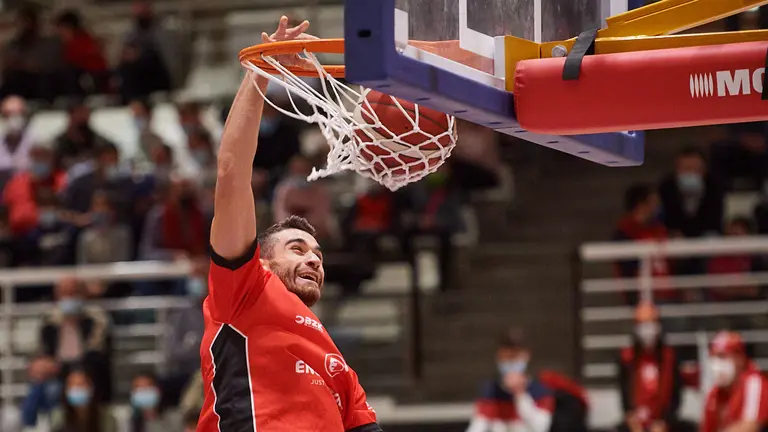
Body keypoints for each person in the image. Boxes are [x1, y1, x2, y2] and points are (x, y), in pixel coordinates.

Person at [198, 17, 380, 432]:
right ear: (261, 262)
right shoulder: (242, 291)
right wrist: (262, 73)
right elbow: (231, 173)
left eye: (317, 253)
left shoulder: (334, 359)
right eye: (297, 248)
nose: (314, 259)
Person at [617, 301, 691, 432]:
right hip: (636, 423)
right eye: (643, 325)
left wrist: (664, 423)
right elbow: (624, 396)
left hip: (662, 422)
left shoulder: (670, 357)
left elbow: (676, 396)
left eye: (651, 324)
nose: (647, 330)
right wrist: (633, 422)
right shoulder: (626, 358)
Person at [466, 330, 554, 432]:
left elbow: (540, 428)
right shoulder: (490, 390)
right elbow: (478, 426)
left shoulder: (542, 391)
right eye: (506, 356)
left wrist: (519, 393)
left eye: (514, 356)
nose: (510, 362)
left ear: (526, 356)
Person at [701, 331, 768, 431]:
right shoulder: (715, 394)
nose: (717, 365)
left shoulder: (754, 382)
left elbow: (750, 426)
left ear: (739, 358)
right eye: (713, 358)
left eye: (722, 357)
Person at [50, 368, 117, 432]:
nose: (77, 388)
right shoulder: (58, 415)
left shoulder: (106, 417)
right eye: (72, 385)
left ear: (91, 387)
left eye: (81, 384)